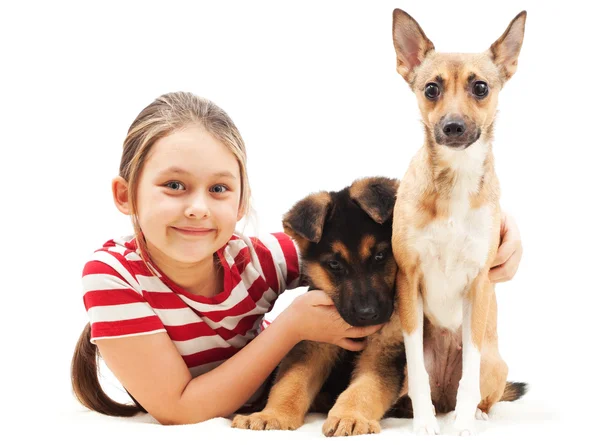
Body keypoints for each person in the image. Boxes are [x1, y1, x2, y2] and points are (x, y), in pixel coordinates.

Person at [71, 91, 523, 426]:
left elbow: (416, 213)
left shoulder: (256, 259)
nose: (198, 207)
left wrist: (498, 227)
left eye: (219, 188)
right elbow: (177, 408)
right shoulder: (113, 277)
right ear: (125, 195)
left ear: (243, 199)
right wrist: (290, 328)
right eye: (174, 185)